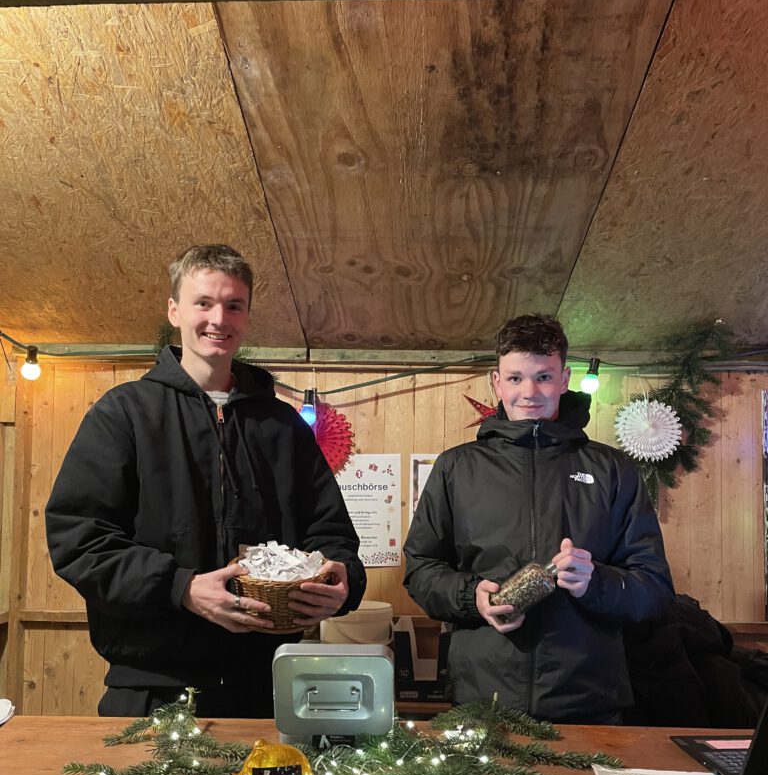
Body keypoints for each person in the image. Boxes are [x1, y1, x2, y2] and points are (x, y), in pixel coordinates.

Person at [46, 244, 366, 718]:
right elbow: (80, 541)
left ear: (247, 316)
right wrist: (180, 588)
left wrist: (342, 580)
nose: (219, 318)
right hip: (151, 688)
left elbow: (331, 532)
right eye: (203, 303)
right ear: (174, 310)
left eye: (234, 305)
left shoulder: (283, 426)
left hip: (264, 687)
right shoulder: (124, 413)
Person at [403, 314, 674, 724]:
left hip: (589, 703)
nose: (529, 392)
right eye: (516, 378)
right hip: (481, 700)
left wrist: (595, 582)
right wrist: (473, 598)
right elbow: (421, 569)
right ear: (497, 382)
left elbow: (654, 588)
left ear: (564, 379)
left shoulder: (612, 469)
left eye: (543, 377)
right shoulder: (456, 467)